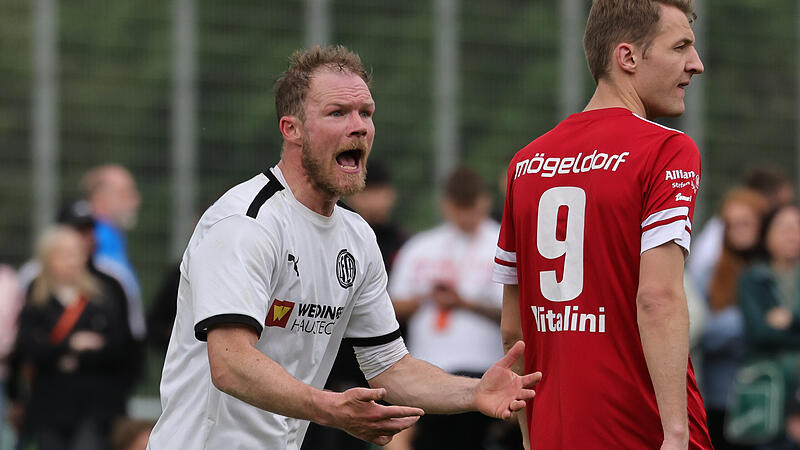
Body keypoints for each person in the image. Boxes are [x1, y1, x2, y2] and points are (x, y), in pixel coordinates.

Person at [147, 45, 539, 450]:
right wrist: (329, 407)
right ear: (291, 128)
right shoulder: (245, 224)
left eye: (366, 113)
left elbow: (390, 368)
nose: (359, 127)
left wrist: (474, 393)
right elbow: (229, 363)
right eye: (338, 113)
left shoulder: (356, 236)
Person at [494, 1, 712, 448]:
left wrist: (532, 435)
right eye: (681, 46)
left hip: (557, 431)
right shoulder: (667, 150)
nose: (697, 64)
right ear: (628, 57)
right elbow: (658, 298)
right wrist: (675, 433)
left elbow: (513, 331)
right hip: (640, 428)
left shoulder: (525, 163)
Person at [388, 166, 509, 450]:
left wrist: (465, 304)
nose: (466, 217)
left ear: (485, 201)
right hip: (427, 369)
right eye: (460, 209)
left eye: (473, 208)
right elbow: (391, 307)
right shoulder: (421, 246)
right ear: (446, 205)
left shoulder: (502, 243)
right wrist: (426, 298)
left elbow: (515, 314)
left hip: (485, 368)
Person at [302, 160, 407, 450]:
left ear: (392, 194)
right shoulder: (334, 236)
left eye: (381, 191)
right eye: (368, 192)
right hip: (330, 370)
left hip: (383, 369)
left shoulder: (405, 244)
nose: (374, 200)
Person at [15, 226, 130, 450]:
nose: (72, 260)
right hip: (48, 407)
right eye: (63, 254)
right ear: (48, 258)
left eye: (75, 253)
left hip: (92, 408)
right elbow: (27, 348)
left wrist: (75, 358)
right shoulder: (37, 300)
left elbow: (119, 347)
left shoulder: (102, 296)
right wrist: (71, 344)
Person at [700, 188, 767, 450]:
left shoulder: (771, 268)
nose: (738, 230)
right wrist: (753, 322)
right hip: (721, 397)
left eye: (746, 223)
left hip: (765, 391)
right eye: (732, 224)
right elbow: (701, 330)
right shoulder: (711, 272)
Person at [738, 204, 800, 447]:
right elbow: (759, 334)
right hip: (769, 393)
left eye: (797, 228)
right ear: (767, 234)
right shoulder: (754, 279)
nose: (792, 235)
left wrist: (791, 318)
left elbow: (774, 331)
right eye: (785, 228)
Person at [80, 164, 146, 343]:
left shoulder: (114, 239)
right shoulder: (92, 242)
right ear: (100, 199)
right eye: (126, 194)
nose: (136, 200)